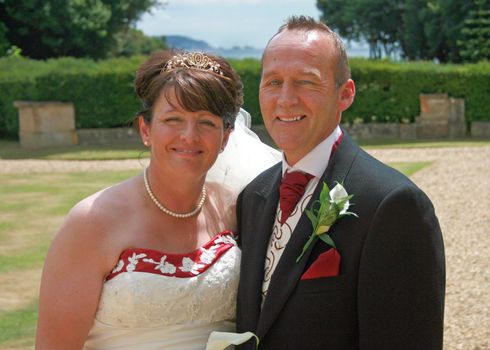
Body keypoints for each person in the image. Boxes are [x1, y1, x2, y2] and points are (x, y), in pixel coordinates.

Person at [35, 50, 280, 349]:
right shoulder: (91, 222)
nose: (189, 136)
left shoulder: (235, 209)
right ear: (145, 129)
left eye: (206, 122)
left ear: (226, 136)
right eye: (173, 119)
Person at [236, 16, 445, 349]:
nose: (285, 99)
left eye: (305, 82)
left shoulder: (393, 205)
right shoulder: (252, 197)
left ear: (345, 94)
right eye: (273, 82)